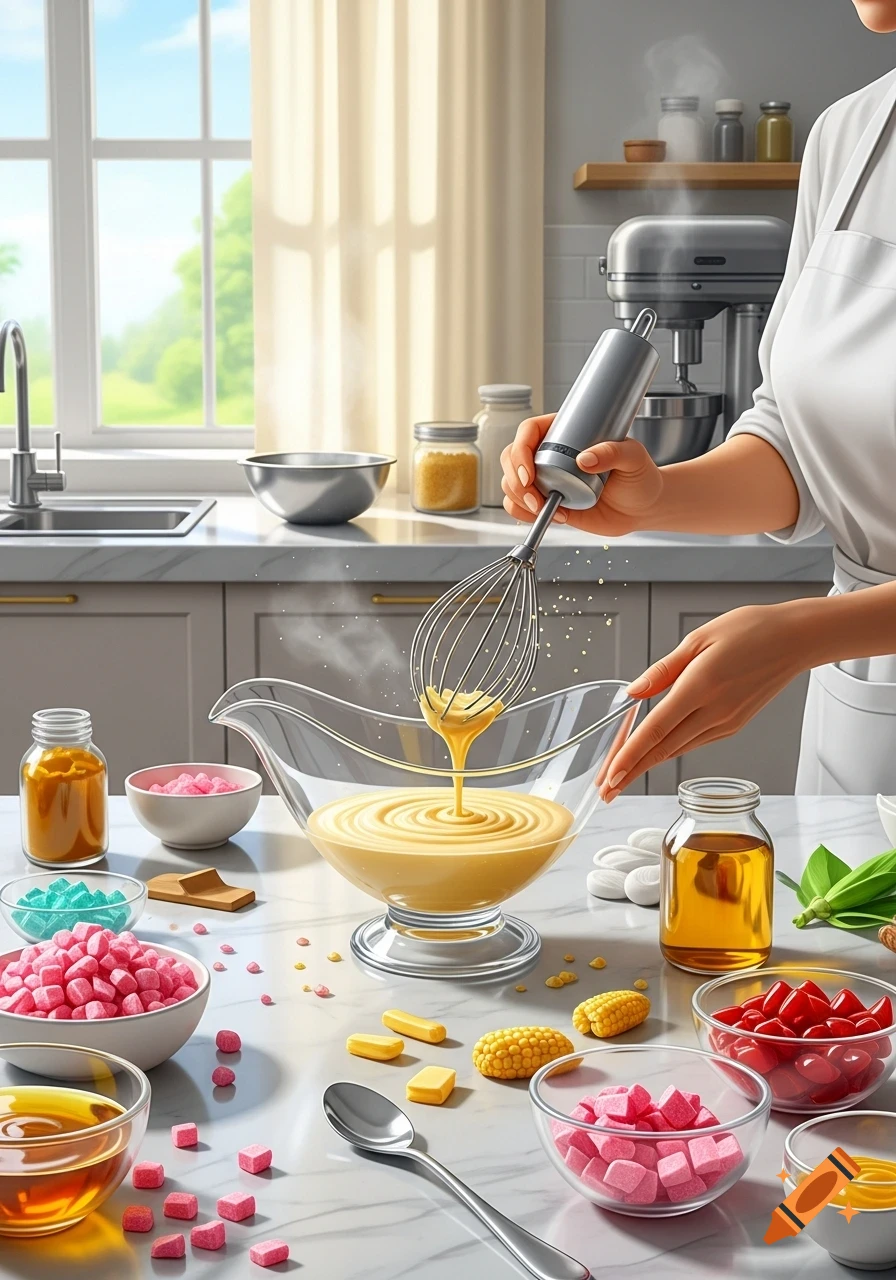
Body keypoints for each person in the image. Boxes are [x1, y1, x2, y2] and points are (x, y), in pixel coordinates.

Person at [502, 0, 896, 801]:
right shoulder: (853, 135)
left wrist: (804, 634)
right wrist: (652, 496)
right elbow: (797, 437)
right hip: (862, 716)